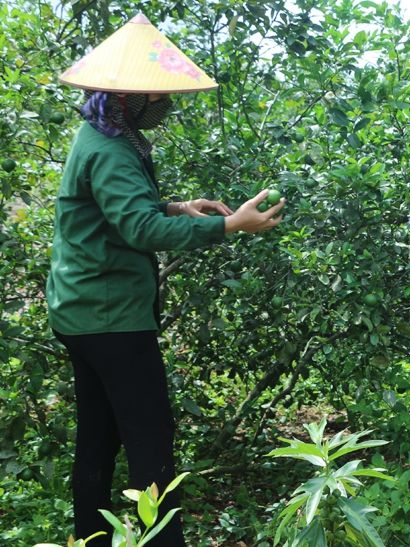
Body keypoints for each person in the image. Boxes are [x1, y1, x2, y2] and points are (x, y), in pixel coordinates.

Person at [46, 14, 284, 546]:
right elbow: (138, 227)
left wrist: (178, 205)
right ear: (131, 95)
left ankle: (90, 537)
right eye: (159, 95)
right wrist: (230, 224)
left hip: (82, 309)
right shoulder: (110, 147)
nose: (165, 105)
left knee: (100, 437)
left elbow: (116, 210)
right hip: (109, 317)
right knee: (151, 442)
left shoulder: (102, 131)